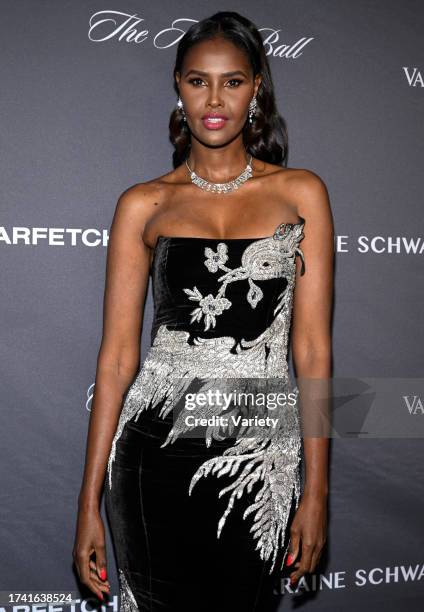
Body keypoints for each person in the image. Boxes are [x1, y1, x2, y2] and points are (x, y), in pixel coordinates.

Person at [73, 11, 333, 612]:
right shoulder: (144, 204)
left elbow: (314, 352)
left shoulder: (301, 194)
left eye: (232, 81)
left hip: (260, 452)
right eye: (198, 81)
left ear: (256, 88)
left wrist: (317, 491)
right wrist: (87, 502)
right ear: (178, 87)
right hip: (152, 457)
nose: (214, 99)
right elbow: (116, 358)